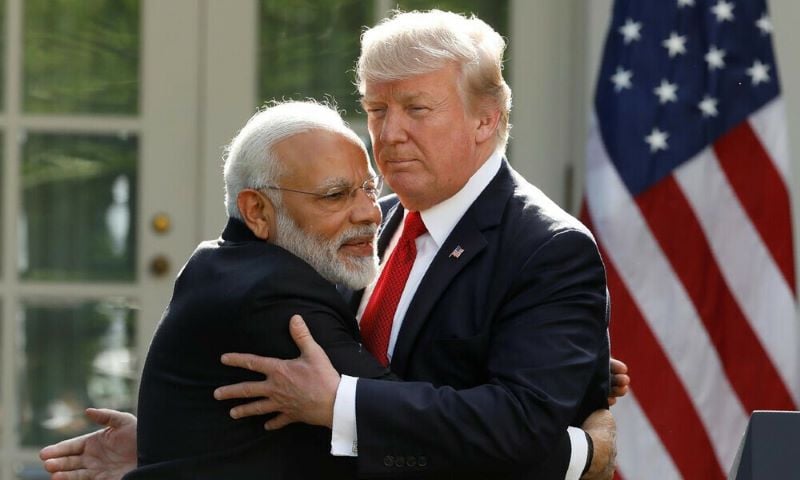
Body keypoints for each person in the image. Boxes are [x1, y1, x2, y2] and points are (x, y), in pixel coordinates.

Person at [213, 9, 616, 480]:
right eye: (376, 110)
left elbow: (522, 426)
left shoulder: (550, 249)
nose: (388, 134)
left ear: (486, 121)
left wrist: (342, 405)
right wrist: (167, 444)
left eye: (416, 109)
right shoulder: (370, 220)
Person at [126, 100, 400, 478]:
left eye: (370, 188)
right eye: (335, 195)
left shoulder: (217, 263)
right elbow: (403, 432)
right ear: (256, 211)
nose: (371, 213)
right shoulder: (275, 294)